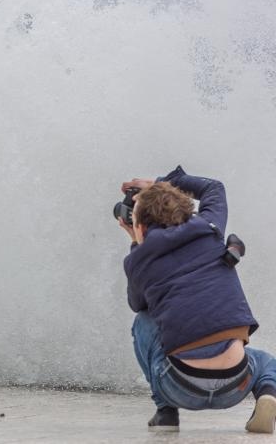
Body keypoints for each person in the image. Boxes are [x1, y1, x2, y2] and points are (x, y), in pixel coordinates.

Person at [118, 165, 276, 433]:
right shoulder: (210, 228)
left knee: (142, 322)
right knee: (265, 361)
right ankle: (267, 394)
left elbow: (139, 305)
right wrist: (163, 182)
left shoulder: (137, 260)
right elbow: (214, 187)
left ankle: (165, 411)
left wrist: (137, 245)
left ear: (141, 226)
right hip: (236, 384)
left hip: (179, 387)